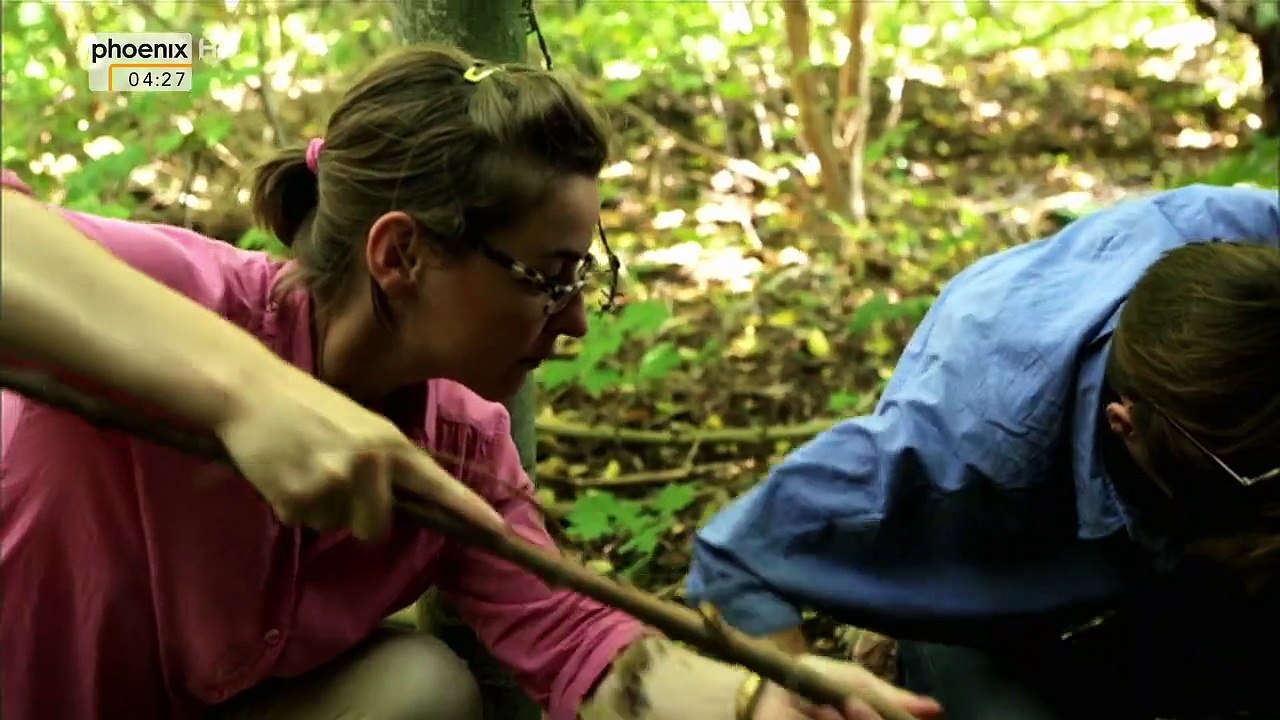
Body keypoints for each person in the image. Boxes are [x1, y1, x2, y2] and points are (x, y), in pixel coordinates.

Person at [0, 44, 946, 720]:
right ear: (402, 254)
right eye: (550, 277)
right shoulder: (187, 300)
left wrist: (760, 704)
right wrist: (249, 392)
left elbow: (573, 637)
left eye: (586, 282)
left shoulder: (458, 449)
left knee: (423, 688)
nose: (573, 322)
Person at [684, 183, 1280, 719]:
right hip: (994, 514)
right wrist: (806, 695)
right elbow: (735, 555)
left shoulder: (1250, 242)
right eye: (1259, 484)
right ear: (1125, 424)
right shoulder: (960, 452)